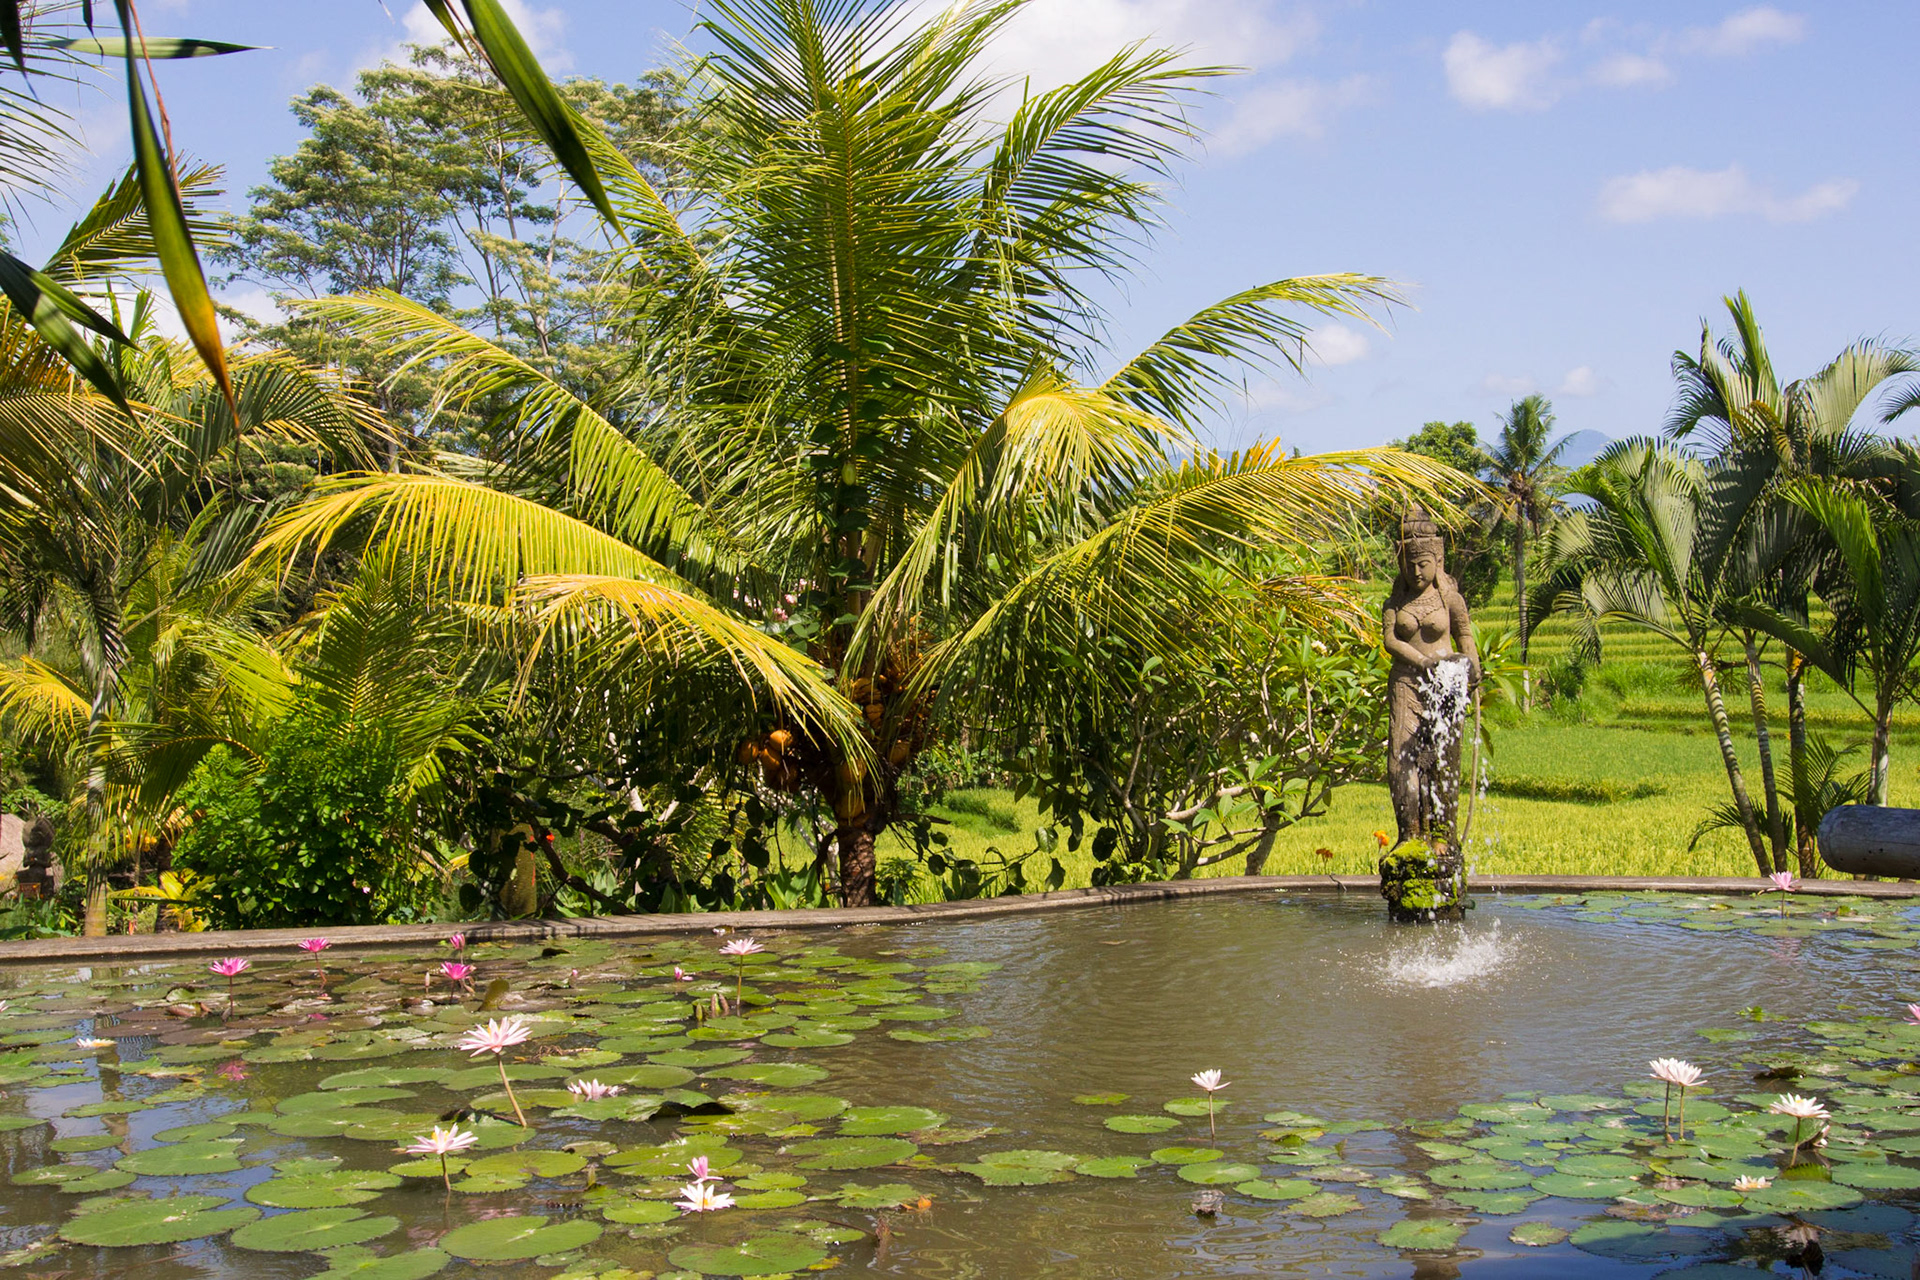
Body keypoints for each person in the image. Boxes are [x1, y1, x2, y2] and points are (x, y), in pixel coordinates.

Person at [1382, 511, 1479, 845]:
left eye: (1423, 563)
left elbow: (1465, 636)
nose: (1416, 571)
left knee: (1443, 760)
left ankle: (1442, 836)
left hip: (1446, 684)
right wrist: (1422, 662)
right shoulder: (1395, 603)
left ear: (1438, 560)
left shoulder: (1448, 598)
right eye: (1408, 564)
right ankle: (1408, 835)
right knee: (1399, 762)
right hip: (1407, 682)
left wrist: (1472, 667)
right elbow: (1391, 641)